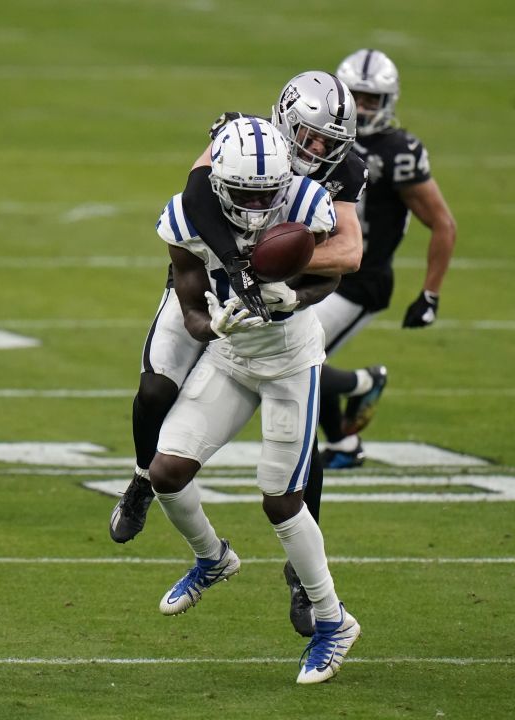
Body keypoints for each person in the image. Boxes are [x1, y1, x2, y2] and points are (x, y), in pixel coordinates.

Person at [109, 71, 365, 545]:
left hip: (273, 297)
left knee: (299, 449)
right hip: (208, 275)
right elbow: (196, 195)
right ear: (286, 119)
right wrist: (236, 261)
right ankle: (144, 478)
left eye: (330, 143)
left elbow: (349, 254)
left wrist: (279, 264)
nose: (318, 151)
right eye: (310, 136)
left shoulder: (343, 171)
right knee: (155, 388)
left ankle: (302, 570)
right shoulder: (244, 138)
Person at [148, 117, 360, 685]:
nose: (259, 205)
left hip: (291, 361)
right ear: (219, 182)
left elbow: (333, 274)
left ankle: (333, 620)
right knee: (164, 471)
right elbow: (189, 302)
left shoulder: (307, 200)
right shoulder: (186, 216)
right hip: (233, 356)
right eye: (246, 194)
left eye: (269, 193)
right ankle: (213, 558)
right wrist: (208, 324)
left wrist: (295, 295)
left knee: (281, 499)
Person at [313, 48, 459, 470]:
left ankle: (363, 383)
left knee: (290, 356)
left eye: (371, 99)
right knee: (291, 356)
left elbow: (443, 224)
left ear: (388, 102)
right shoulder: (320, 135)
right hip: (317, 268)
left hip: (358, 279)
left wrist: (430, 294)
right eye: (355, 96)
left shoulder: (398, 151)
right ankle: (342, 444)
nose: (361, 107)